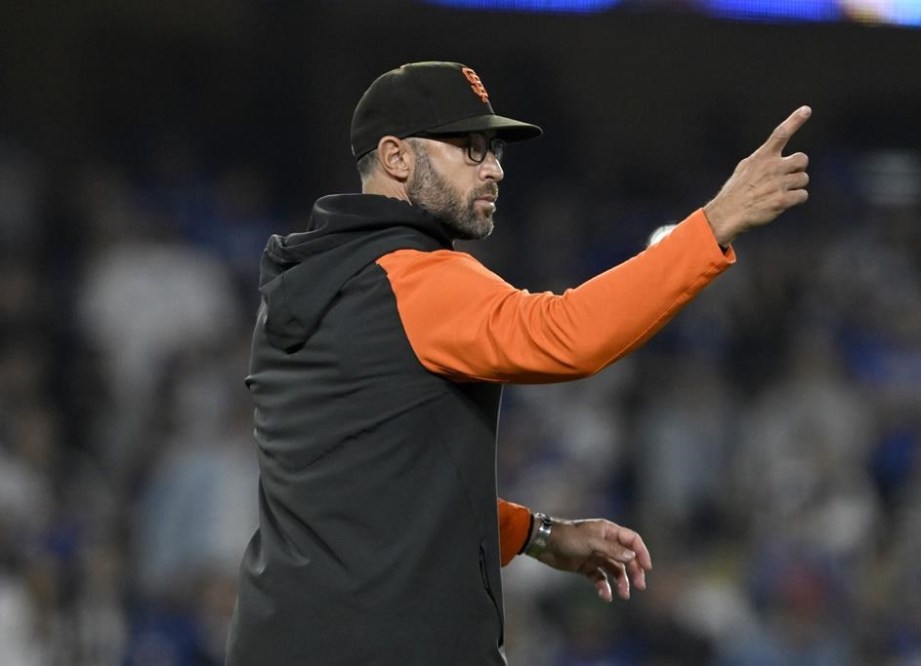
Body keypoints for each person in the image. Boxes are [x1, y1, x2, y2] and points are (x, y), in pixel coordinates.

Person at [225, 61, 811, 665]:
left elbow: (374, 489)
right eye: (471, 150)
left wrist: (538, 534)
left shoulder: (304, 285)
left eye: (495, 151)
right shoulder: (410, 277)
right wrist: (714, 223)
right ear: (397, 157)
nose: (495, 169)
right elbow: (566, 335)